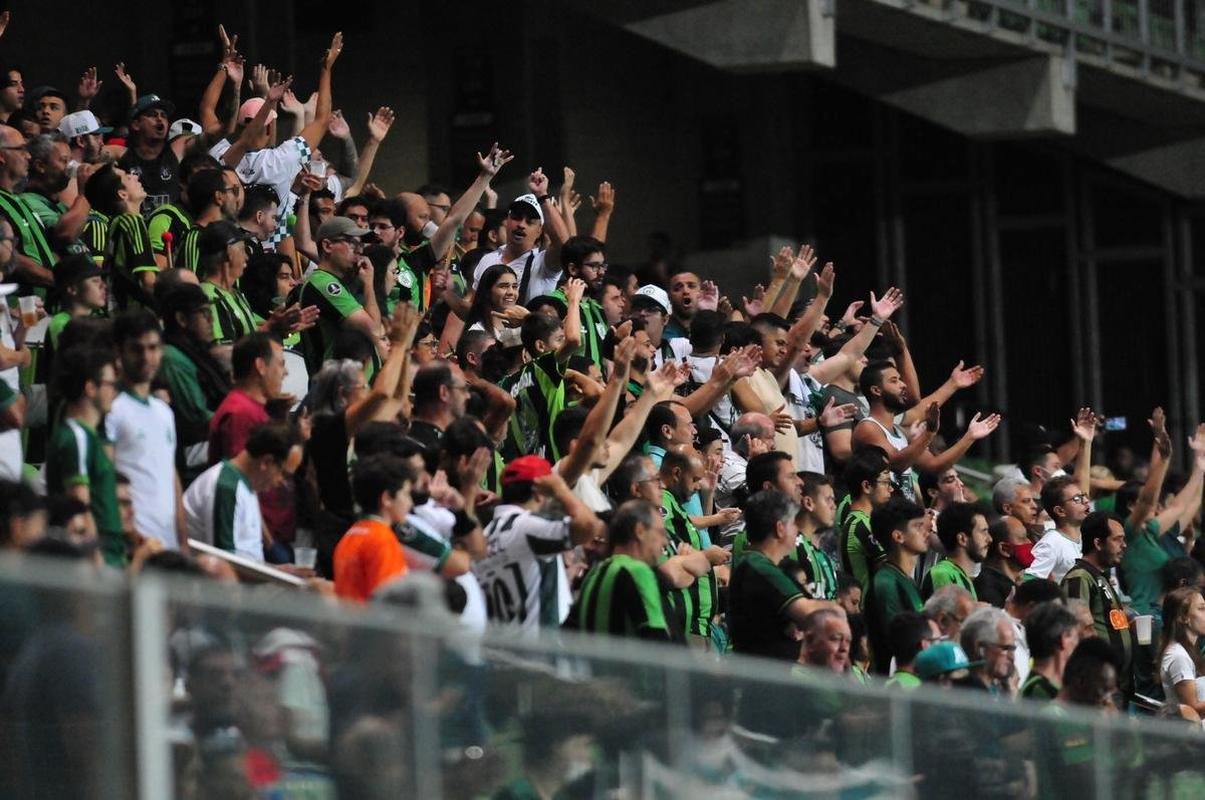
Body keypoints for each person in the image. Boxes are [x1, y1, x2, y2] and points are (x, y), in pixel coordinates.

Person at [471, 456, 600, 634]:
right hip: (537, 655)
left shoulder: (485, 536)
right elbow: (589, 527)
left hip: (499, 651)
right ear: (539, 492)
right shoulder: (527, 527)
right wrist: (561, 489)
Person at [852, 360, 1000, 503]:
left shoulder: (899, 431)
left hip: (902, 517)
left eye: (900, 380)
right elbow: (896, 464)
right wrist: (928, 433)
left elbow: (935, 465)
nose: (903, 385)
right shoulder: (868, 427)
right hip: (881, 519)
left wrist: (970, 437)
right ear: (876, 390)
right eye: (894, 380)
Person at [105, 309, 184, 550]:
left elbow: (171, 476)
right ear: (119, 352)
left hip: (168, 543)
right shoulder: (112, 409)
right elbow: (105, 476)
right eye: (136, 349)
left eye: (153, 348)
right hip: (134, 543)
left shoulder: (164, 411)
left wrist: (183, 540)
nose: (146, 357)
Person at [728, 489, 835, 661]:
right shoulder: (760, 567)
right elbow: (810, 613)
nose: (797, 530)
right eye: (794, 523)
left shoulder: (759, 564)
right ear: (780, 528)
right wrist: (837, 608)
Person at [43, 345, 123, 566]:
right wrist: (98, 567)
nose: (114, 392)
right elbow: (79, 508)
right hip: (99, 562)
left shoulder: (87, 436)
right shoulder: (77, 437)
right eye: (110, 384)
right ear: (90, 388)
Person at [183, 421, 301, 561]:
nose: (282, 482)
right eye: (284, 474)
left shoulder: (247, 485)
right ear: (266, 462)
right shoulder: (226, 487)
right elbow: (225, 563)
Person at [564, 500, 675, 642]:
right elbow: (656, 641)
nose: (664, 541)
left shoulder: (594, 573)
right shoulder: (638, 572)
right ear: (639, 531)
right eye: (660, 533)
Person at [291, 216, 382, 374]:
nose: (360, 250)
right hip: (334, 389)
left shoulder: (341, 283)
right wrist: (368, 284)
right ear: (327, 246)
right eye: (352, 243)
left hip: (351, 389)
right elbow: (374, 329)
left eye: (361, 244)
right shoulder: (324, 283)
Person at [1062, 511, 1134, 698]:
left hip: (1116, 684)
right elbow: (1076, 629)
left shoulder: (1100, 576)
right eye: (1117, 540)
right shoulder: (1080, 577)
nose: (1124, 545)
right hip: (1097, 686)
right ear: (1098, 543)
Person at [333, 455, 420, 603]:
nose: (410, 503)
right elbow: (387, 604)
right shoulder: (382, 539)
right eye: (406, 494)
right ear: (387, 498)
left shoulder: (351, 533)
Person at [864, 497, 928, 673]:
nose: (925, 532)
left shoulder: (905, 579)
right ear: (898, 536)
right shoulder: (886, 583)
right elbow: (899, 643)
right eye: (917, 526)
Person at [83, 163, 157, 308]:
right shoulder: (131, 222)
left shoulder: (115, 223)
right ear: (122, 194)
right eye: (127, 177)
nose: (135, 176)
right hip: (136, 319)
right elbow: (148, 281)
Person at [208, 333, 284, 463]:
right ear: (260, 366)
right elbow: (242, 476)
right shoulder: (242, 413)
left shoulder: (247, 407)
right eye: (281, 364)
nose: (286, 372)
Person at [839, 447, 893, 594]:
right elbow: (893, 569)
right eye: (886, 482)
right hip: (868, 610)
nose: (891, 489)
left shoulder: (862, 521)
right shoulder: (861, 525)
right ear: (867, 486)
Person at [1026, 475, 1091, 582]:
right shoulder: (1050, 543)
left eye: (1083, 495)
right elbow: (1028, 579)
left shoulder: (1088, 536)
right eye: (1077, 498)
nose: (1085, 501)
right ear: (1060, 511)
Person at [921, 501, 989, 600]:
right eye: (983, 532)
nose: (989, 539)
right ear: (962, 539)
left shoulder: (963, 576)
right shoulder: (942, 574)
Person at [1158, 586, 1205, 717]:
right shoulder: (1178, 655)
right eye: (1201, 609)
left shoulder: (1190, 650)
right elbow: (1192, 709)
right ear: (1183, 617)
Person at [1022, 600, 1081, 701]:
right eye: (1076, 637)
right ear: (1064, 639)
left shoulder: (1035, 688)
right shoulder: (1041, 694)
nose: (1078, 644)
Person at [957, 606, 1017, 695]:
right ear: (980, 648)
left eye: (1012, 649)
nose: (1012, 657)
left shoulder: (1002, 691)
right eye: (1005, 649)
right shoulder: (961, 692)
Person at [975, 516, 1033, 608]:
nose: (1029, 542)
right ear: (1004, 549)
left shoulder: (1015, 585)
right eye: (1023, 538)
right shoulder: (989, 589)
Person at [884, 611, 942, 689]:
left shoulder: (885, 687)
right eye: (938, 640)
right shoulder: (925, 694)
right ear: (925, 645)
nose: (942, 646)